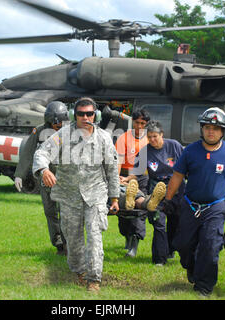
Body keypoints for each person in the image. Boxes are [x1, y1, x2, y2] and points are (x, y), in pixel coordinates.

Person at [33, 97, 120, 293]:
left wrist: (114, 198)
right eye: (81, 114)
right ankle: (80, 272)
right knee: (73, 239)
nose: (85, 117)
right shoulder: (63, 135)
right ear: (74, 115)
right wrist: (44, 170)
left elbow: (112, 168)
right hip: (69, 196)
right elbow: (42, 153)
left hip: (96, 195)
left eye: (89, 113)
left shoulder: (104, 138)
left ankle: (94, 279)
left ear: (95, 115)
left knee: (95, 237)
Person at [165, 107, 225, 296]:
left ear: (222, 131)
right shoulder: (190, 151)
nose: (211, 131)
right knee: (183, 244)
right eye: (207, 127)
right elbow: (177, 176)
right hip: (190, 205)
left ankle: (204, 286)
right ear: (202, 129)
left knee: (210, 246)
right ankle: (192, 267)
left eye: (216, 128)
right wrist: (168, 199)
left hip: (216, 207)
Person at [123, 120, 185, 265]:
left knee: (175, 223)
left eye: (155, 136)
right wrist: (127, 178)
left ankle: (170, 250)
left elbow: (187, 166)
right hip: (156, 192)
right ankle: (159, 259)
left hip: (177, 189)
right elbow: (137, 173)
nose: (152, 140)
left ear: (161, 134)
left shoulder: (174, 146)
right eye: (149, 137)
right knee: (159, 224)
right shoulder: (144, 152)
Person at [14, 101, 69, 255]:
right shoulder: (38, 132)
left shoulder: (71, 131)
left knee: (66, 212)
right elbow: (27, 153)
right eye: (53, 123)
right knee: (50, 212)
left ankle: (68, 242)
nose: (56, 126)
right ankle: (58, 243)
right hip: (46, 179)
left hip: (65, 178)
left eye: (58, 123)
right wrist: (19, 175)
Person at [114, 109, 150, 257]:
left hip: (141, 177)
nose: (139, 126)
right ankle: (127, 236)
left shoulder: (149, 139)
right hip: (124, 177)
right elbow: (118, 161)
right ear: (132, 122)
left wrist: (131, 178)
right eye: (137, 122)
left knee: (139, 210)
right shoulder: (123, 138)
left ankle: (135, 242)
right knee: (123, 209)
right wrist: (116, 178)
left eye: (143, 123)